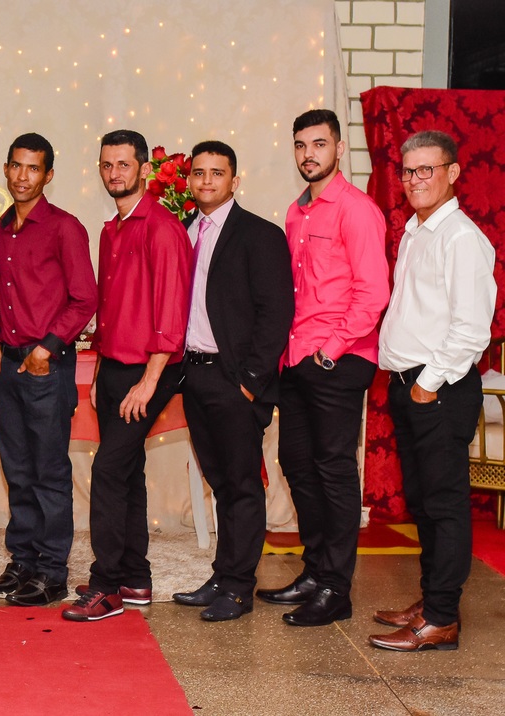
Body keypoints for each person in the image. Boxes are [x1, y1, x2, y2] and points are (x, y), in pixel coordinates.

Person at [261, 109, 390, 627]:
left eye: (319, 143)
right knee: (297, 462)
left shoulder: (357, 210)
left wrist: (332, 348)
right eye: (300, 145)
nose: (308, 153)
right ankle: (316, 572)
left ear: (338, 148)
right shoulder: (297, 213)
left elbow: (373, 292)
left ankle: (336, 588)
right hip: (298, 358)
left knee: (334, 468)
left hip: (340, 355)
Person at [370, 130, 495, 652]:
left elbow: (471, 329)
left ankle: (441, 619)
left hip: (438, 388)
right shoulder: (417, 231)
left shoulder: (461, 238)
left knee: (444, 505)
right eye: (408, 170)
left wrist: (425, 385)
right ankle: (432, 601)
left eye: (427, 169)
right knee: (423, 503)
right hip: (412, 385)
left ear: (453, 172)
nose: (415, 179)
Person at [63, 130, 191, 622]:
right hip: (115, 366)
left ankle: (106, 586)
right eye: (106, 164)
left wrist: (149, 380)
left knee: (108, 471)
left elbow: (172, 312)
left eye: (123, 164)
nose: (114, 173)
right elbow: (112, 309)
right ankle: (135, 578)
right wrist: (100, 371)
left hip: (150, 369)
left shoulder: (162, 228)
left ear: (144, 168)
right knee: (128, 471)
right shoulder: (110, 230)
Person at [172, 140, 294, 621]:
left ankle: (240, 588)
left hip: (234, 380)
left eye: (217, 173)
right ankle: (222, 576)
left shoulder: (260, 235)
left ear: (234, 180)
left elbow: (275, 313)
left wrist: (250, 382)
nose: (206, 181)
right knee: (219, 481)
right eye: (199, 173)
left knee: (242, 485)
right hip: (194, 375)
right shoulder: (184, 231)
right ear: (189, 180)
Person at [0, 132, 96, 607]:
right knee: (17, 469)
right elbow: (5, 297)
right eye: (16, 165)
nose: (22, 176)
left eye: (33, 168)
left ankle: (52, 572)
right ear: (6, 169)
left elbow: (85, 298)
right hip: (8, 367)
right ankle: (23, 561)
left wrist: (46, 349)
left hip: (45, 369)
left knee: (48, 471)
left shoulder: (64, 227)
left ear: (48, 175)